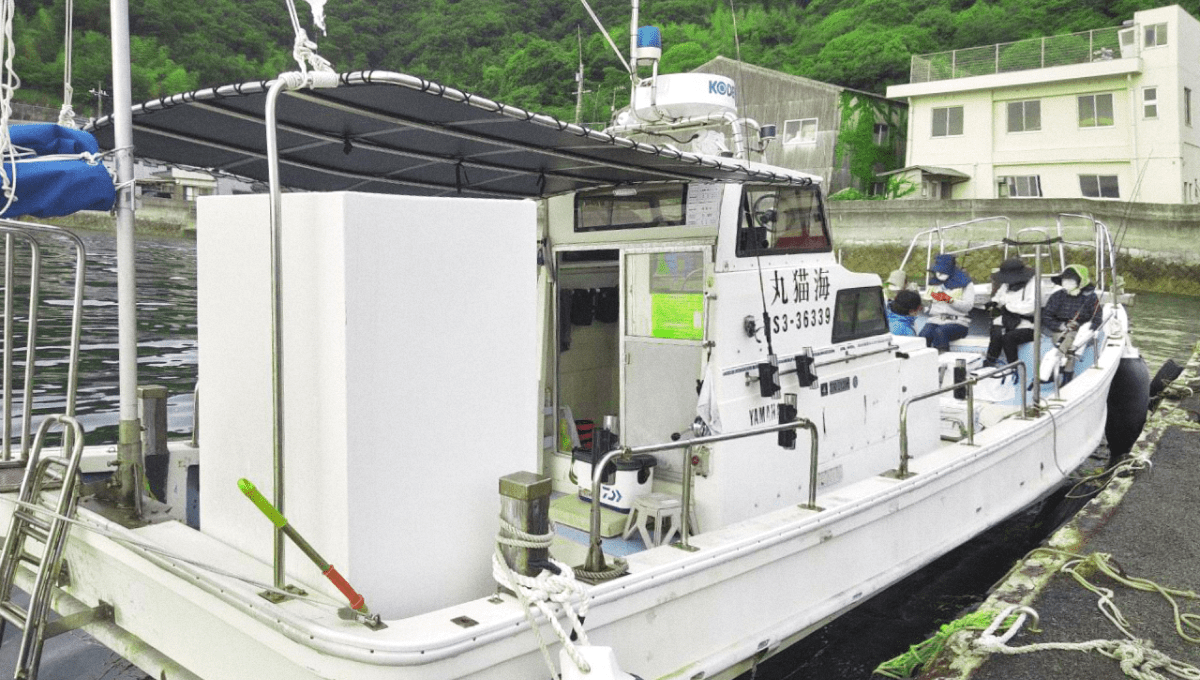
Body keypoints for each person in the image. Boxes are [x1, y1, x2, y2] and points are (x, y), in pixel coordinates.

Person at [1040, 265, 1104, 382]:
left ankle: (1054, 369)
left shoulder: (1091, 297)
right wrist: (1062, 325)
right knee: (1069, 342)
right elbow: (1046, 316)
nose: (1067, 282)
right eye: (1065, 279)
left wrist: (1084, 328)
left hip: (1081, 333)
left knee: (1071, 341)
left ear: (1080, 281)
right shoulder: (1057, 296)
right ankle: (1065, 374)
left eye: (1071, 280)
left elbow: (1097, 319)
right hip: (1059, 330)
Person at [983, 258, 1036, 367]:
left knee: (1008, 338)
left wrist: (1008, 307)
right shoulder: (1006, 285)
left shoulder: (1034, 285)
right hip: (1007, 320)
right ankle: (989, 364)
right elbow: (999, 297)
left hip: (1026, 324)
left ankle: (1013, 367)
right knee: (996, 334)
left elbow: (1031, 307)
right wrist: (994, 303)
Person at [918, 254, 975, 351]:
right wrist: (924, 304)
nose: (939, 274)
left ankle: (943, 357)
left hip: (958, 322)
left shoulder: (966, 284)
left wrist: (949, 300)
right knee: (923, 336)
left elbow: (968, 306)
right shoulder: (934, 283)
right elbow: (928, 307)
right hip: (935, 320)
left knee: (940, 332)